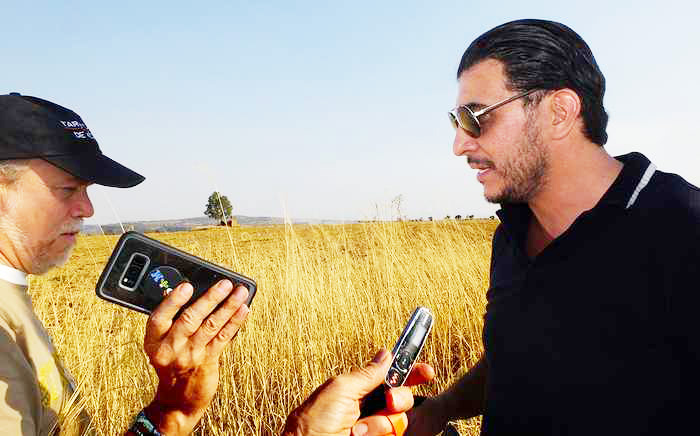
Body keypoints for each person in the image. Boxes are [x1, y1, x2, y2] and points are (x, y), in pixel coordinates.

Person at [407, 19, 700, 435]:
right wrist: (441, 408)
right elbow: (515, 358)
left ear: (559, 111)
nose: (460, 145)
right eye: (456, 121)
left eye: (475, 117)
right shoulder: (510, 235)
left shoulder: (683, 230)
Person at [0, 93, 251, 435]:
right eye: (67, 189)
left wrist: (172, 410)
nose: (87, 209)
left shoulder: (11, 293)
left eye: (86, 190)